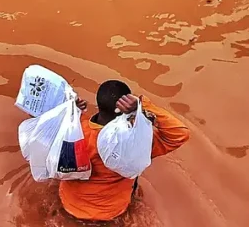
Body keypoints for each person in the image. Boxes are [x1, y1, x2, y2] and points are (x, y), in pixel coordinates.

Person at [59, 80, 190, 222]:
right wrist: (142, 106)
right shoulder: (136, 143)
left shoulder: (73, 131)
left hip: (69, 206)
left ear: (98, 105)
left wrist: (69, 112)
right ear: (126, 109)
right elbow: (180, 133)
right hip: (112, 212)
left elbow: (42, 129)